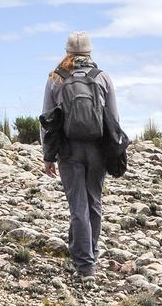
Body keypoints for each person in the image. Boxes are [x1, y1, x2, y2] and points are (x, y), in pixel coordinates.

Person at [41, 31, 125, 278]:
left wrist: (48, 155)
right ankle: (91, 254)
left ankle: (84, 264)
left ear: (67, 52)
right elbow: (114, 119)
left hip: (69, 150)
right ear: (90, 52)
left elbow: (46, 120)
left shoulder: (56, 78)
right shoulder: (103, 78)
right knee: (94, 203)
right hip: (97, 149)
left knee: (78, 206)